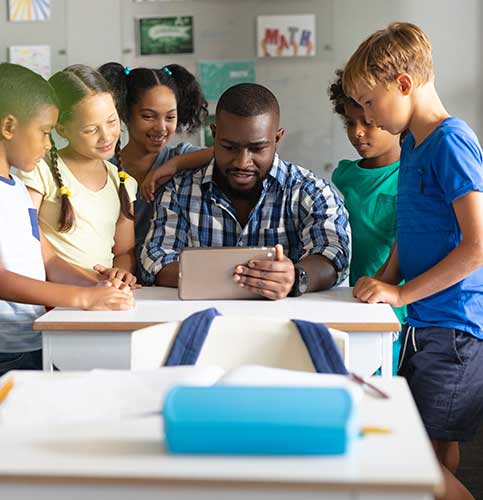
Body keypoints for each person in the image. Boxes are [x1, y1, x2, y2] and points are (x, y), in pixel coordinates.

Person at [343, 22, 483, 500]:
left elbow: (477, 245)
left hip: (455, 325)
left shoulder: (450, 140)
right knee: (431, 450)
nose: (366, 116)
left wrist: (402, 293)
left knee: (417, 457)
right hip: (426, 322)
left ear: (403, 84)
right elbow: (413, 226)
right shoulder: (411, 145)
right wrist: (385, 279)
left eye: (368, 101)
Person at [140, 83, 351, 300]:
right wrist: (239, 279)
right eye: (229, 147)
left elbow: (334, 253)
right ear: (214, 135)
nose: (242, 162)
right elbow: (154, 258)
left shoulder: (311, 192)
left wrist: (296, 277)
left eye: (257, 148)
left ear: (277, 139)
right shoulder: (180, 190)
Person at [0, 63, 134, 375]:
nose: (48, 145)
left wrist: (101, 285)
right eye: (45, 132)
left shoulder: (17, 189)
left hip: (33, 339)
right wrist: (84, 297)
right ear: (8, 126)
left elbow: (47, 259)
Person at [16, 65, 138, 286]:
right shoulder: (39, 170)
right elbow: (26, 233)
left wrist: (119, 274)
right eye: (91, 130)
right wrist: (85, 280)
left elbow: (124, 251)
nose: (106, 136)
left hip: (103, 293)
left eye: (112, 121)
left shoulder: (122, 182)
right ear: (61, 129)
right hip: (55, 294)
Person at [328, 69, 405, 373]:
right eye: (350, 122)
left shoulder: (409, 176)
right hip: (353, 300)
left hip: (397, 309)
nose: (357, 132)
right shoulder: (345, 175)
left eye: (368, 123)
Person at [99, 63, 213, 263]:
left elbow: (227, 152)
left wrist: (175, 164)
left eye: (170, 117)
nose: (161, 128)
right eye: (148, 116)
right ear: (124, 114)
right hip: (118, 274)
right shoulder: (104, 169)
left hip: (165, 275)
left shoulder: (181, 157)